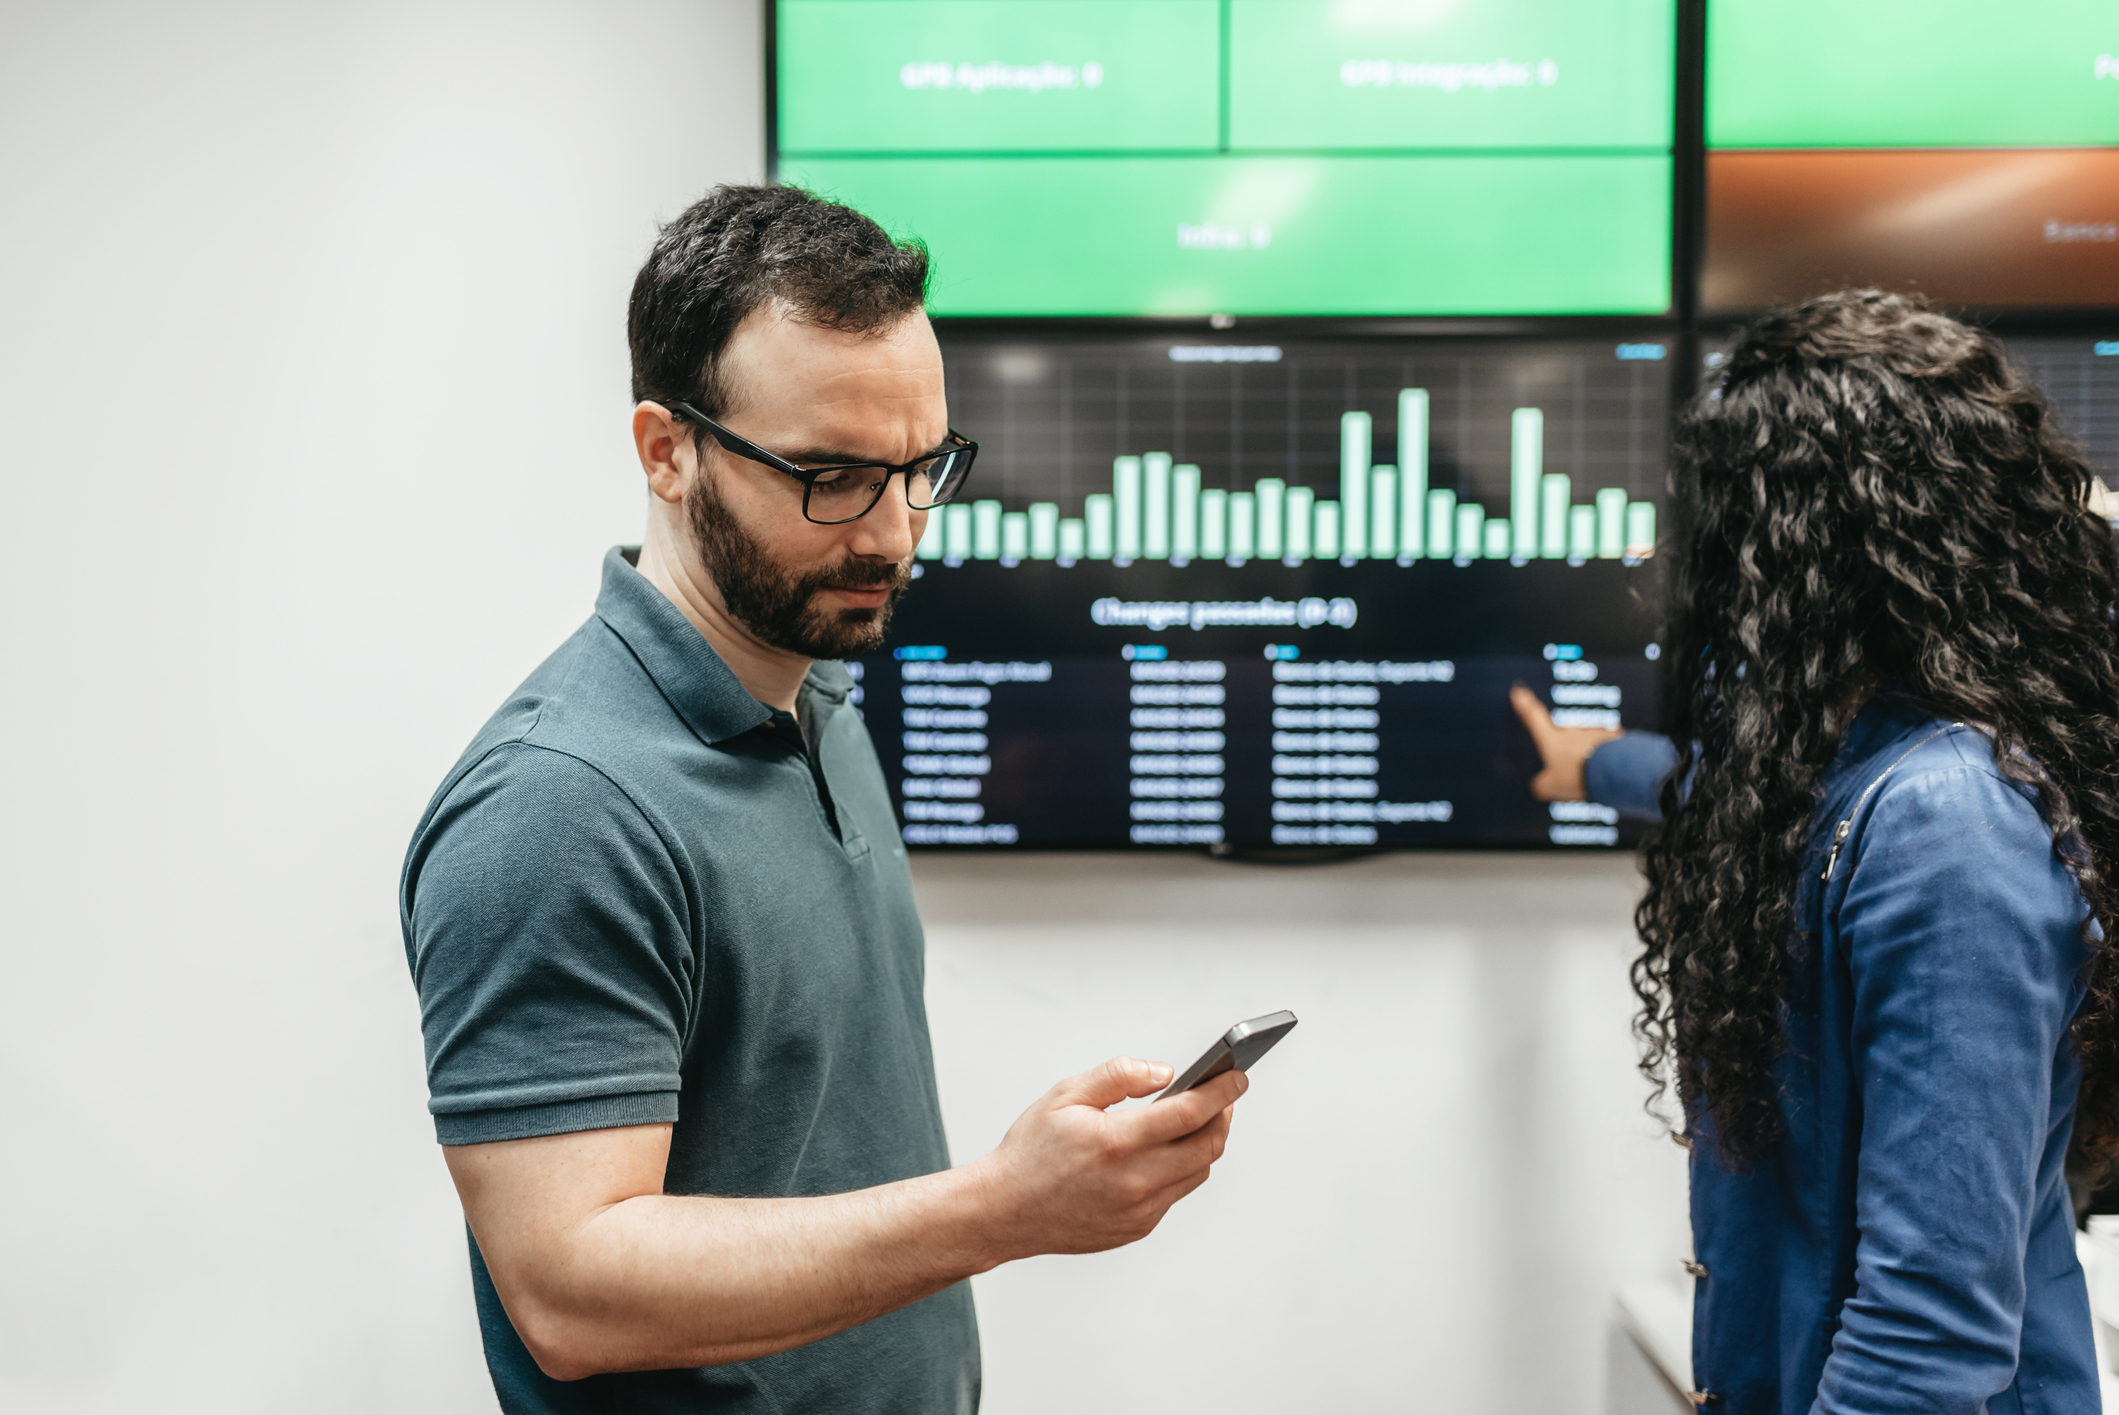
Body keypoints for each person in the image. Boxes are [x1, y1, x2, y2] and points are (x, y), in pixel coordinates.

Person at [398, 185, 1246, 1414]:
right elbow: (571, 1291)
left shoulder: (820, 703)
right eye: (834, 474)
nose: (895, 535)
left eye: (921, 466)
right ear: (665, 449)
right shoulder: (556, 808)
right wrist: (1004, 1205)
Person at [1515, 291, 2119, 1413]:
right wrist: (1587, 763)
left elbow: (1927, 1335)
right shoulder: (1848, 762)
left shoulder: (1949, 825)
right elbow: (1721, 789)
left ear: (1800, 545)